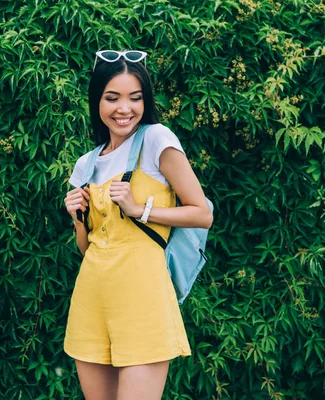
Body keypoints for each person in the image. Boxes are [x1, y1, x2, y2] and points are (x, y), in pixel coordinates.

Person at [63, 50, 213, 400]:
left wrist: (139, 210)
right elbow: (87, 248)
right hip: (92, 298)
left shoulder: (156, 139)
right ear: (97, 101)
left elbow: (202, 212)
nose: (124, 108)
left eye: (135, 98)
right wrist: (78, 219)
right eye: (112, 98)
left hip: (142, 298)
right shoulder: (86, 163)